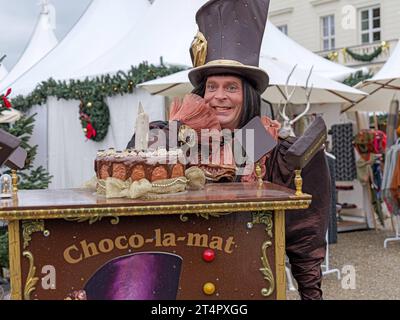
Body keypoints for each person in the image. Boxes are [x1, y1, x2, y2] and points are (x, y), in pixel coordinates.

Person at [128, 0, 330, 300]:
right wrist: (179, 130)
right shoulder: (170, 137)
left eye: (231, 87)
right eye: (211, 87)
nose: (219, 97)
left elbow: (306, 239)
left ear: (246, 95)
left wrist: (311, 296)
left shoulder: (276, 151)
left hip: (249, 286)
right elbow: (134, 162)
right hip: (178, 286)